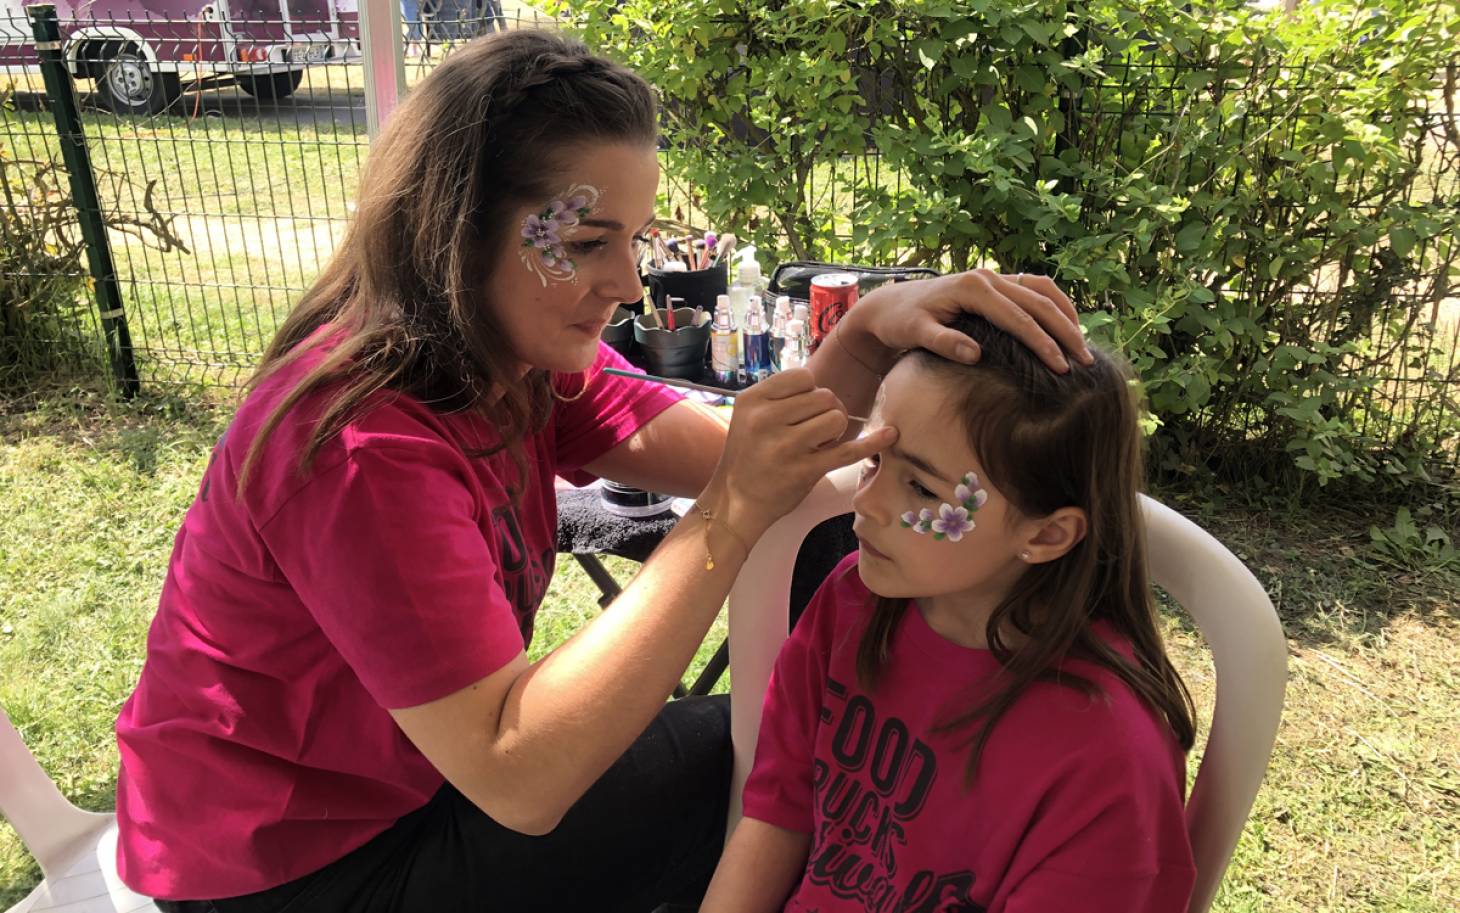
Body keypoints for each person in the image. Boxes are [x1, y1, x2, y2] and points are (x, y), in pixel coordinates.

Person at [113, 29, 1090, 913]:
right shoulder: (359, 446)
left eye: (633, 241)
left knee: (763, 743)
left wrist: (870, 330)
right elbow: (519, 775)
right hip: (279, 875)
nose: (627, 285)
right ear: (460, 229)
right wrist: (724, 517)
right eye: (586, 243)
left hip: (401, 791)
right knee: (755, 756)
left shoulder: (514, 359)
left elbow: (767, 457)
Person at [703, 315, 1198, 913]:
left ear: (1046, 535)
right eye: (874, 462)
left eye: (922, 490)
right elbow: (776, 814)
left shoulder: (1110, 762)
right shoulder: (850, 603)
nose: (865, 503)